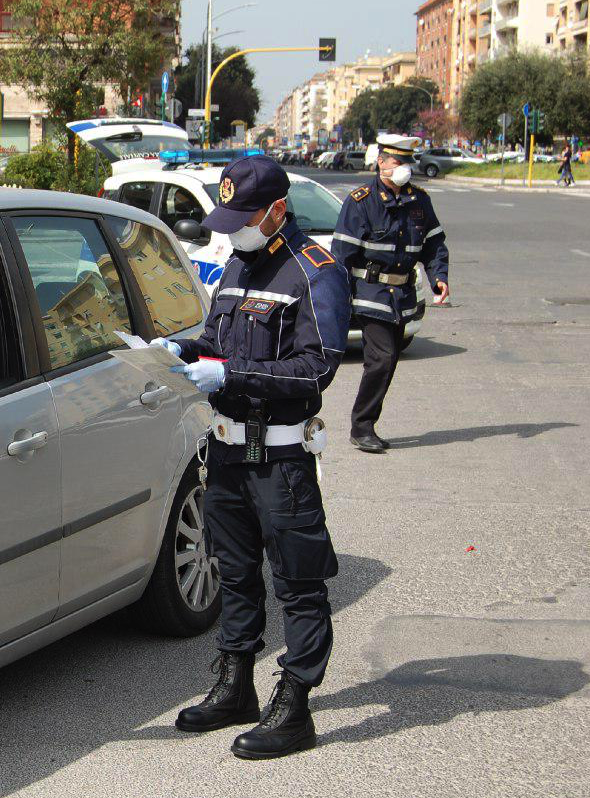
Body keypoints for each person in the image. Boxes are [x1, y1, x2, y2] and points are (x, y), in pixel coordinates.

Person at [156, 155, 350, 759]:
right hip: (226, 450)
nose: (233, 228)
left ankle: (295, 704)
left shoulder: (314, 270)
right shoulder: (240, 262)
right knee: (233, 573)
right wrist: (182, 348)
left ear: (277, 212)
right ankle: (236, 682)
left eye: (244, 217)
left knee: (298, 581)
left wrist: (227, 372)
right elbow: (218, 339)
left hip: (280, 458)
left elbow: (316, 368)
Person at [332, 134, 450, 453]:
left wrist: (439, 278)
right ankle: (362, 426)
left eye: (407, 162)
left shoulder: (419, 200)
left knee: (389, 360)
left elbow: (434, 245)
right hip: (370, 293)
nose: (404, 169)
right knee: (381, 358)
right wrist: (339, 300)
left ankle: (365, 423)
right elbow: (342, 254)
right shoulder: (360, 201)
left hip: (403, 296)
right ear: (381, 161)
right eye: (398, 162)